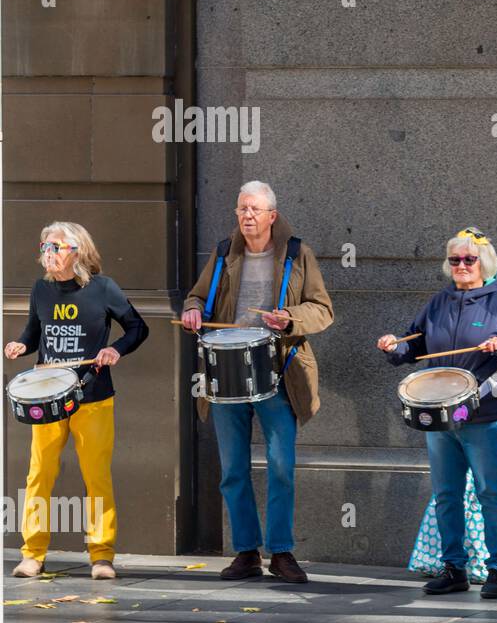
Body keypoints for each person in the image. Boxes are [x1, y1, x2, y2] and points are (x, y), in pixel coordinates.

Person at [181, 181, 334, 584]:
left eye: (254, 210)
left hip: (278, 371)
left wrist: (290, 318)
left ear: (272, 216)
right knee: (232, 469)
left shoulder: (298, 255)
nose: (247, 216)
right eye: (241, 209)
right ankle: (246, 552)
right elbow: (196, 298)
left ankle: (281, 552)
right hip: (226, 373)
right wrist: (193, 311)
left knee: (281, 467)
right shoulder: (222, 253)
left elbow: (323, 310)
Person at [378, 227, 497, 599]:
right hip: (440, 415)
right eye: (455, 260)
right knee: (446, 493)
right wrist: (392, 346)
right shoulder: (438, 302)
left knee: (491, 491)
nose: (462, 266)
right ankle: (454, 568)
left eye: (470, 259)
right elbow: (412, 345)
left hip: (485, 413)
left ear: (484, 264)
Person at [5, 223, 149, 580]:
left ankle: (101, 555)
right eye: (45, 246)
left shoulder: (103, 288)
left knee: (96, 476)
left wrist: (115, 350)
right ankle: (33, 553)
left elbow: (137, 327)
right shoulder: (41, 288)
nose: (48, 253)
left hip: (93, 395)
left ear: (77, 251)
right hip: (48, 397)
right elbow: (34, 332)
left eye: (56, 247)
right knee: (39, 473)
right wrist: (22, 345)